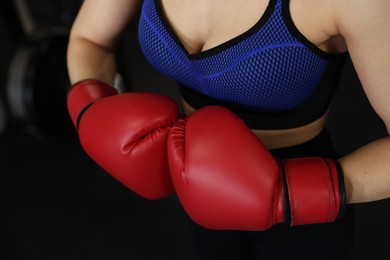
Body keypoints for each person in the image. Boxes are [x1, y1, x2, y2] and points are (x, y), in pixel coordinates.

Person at [66, 0, 390, 259]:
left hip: (302, 205)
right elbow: (89, 39)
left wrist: (289, 195)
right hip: (197, 189)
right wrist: (89, 107)